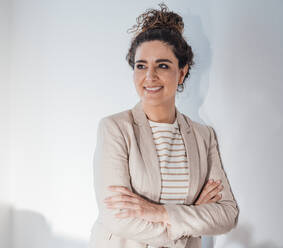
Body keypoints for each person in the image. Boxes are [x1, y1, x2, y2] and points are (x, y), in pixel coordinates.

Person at [89, 3, 239, 248]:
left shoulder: (203, 137)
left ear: (181, 73)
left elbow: (226, 215)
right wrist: (191, 216)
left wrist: (158, 213)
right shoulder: (115, 128)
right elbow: (117, 219)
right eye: (141, 66)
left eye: (162, 65)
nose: (150, 76)